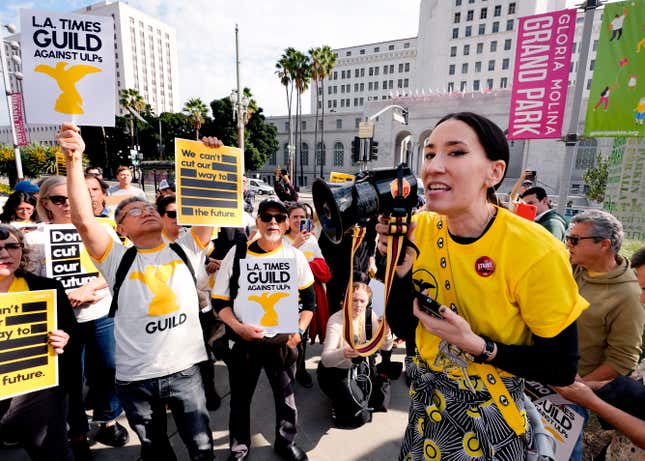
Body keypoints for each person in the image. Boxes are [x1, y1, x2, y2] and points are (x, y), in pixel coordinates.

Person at [378, 112, 587, 460]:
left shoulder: (536, 249)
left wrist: (477, 346)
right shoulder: (420, 228)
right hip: (425, 413)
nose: (433, 166)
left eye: (456, 152)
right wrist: (399, 273)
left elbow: (562, 368)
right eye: (429, 154)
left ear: (494, 172)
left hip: (492, 422)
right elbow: (406, 328)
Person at [59, 122, 218, 461]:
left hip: (187, 372)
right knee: (156, 450)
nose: (145, 212)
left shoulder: (187, 248)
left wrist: (209, 159)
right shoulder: (116, 258)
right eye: (134, 211)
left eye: (148, 209)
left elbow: (207, 208)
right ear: (120, 229)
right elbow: (84, 221)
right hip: (136, 380)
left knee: (202, 448)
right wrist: (74, 159)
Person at [28, 175, 129, 458]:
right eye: (59, 199)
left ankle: (108, 420)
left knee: (109, 369)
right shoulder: (33, 238)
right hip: (59, 321)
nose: (67, 204)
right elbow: (31, 281)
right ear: (46, 203)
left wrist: (90, 288)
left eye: (73, 197)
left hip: (99, 312)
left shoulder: (101, 230)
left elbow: (116, 270)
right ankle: (77, 432)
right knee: (71, 379)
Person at [211, 198, 315, 461]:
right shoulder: (238, 255)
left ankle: (285, 442)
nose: (273, 222)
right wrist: (238, 327)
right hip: (244, 342)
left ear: (286, 225)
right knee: (240, 399)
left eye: (279, 218)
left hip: (282, 343)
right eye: (266, 217)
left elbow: (310, 302)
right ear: (257, 221)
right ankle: (239, 446)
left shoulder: (294, 256)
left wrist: (299, 332)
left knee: (286, 398)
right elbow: (220, 302)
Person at [0, 224, 77, 461]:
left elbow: (71, 330)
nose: (4, 254)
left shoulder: (47, 288)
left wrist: (65, 337)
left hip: (37, 394)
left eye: (12, 246)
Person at [567, 210, 643, 382]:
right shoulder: (569, 267)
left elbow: (623, 358)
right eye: (568, 238)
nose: (568, 245)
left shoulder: (629, 295)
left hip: (570, 394)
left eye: (575, 240)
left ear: (604, 244)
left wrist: (581, 388)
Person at [317, 282, 392, 428]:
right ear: (345, 301)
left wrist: (386, 333)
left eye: (362, 301)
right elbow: (326, 360)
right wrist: (344, 353)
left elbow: (386, 347)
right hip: (336, 372)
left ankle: (347, 397)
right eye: (354, 300)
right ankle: (336, 399)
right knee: (360, 417)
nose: (358, 305)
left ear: (368, 302)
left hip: (359, 368)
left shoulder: (370, 316)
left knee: (375, 403)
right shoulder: (336, 321)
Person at [284, 203, 331, 387]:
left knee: (301, 337)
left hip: (305, 298)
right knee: (285, 338)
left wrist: (305, 266)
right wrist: (295, 249)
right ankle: (287, 372)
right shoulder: (280, 240)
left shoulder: (311, 240)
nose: (298, 221)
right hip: (285, 298)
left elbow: (325, 272)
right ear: (287, 220)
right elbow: (279, 268)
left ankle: (301, 370)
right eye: (294, 217)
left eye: (302, 217)